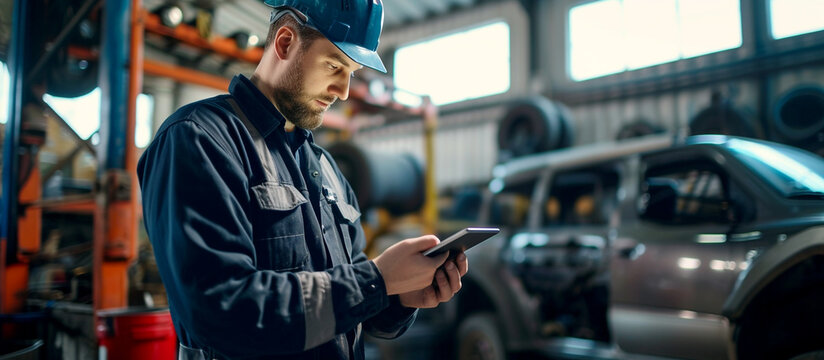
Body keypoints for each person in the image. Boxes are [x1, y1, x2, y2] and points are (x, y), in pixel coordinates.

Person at [137, 0, 468, 359]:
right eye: (334, 65)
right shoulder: (199, 139)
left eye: (351, 72)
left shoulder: (326, 168)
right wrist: (376, 281)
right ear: (285, 43)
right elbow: (220, 311)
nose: (343, 91)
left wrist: (398, 296)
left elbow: (346, 305)